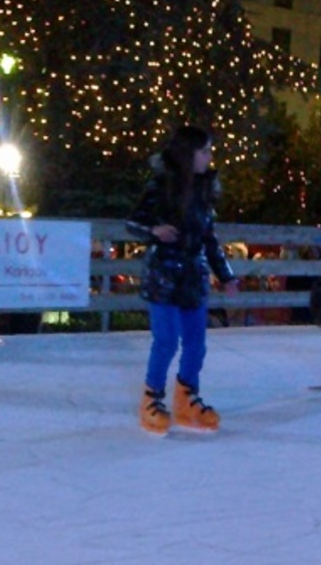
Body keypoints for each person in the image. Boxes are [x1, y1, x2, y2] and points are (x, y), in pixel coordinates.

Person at [127, 126, 239, 436]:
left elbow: (209, 239)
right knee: (166, 340)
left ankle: (186, 397)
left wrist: (226, 275)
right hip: (163, 274)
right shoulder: (161, 185)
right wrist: (155, 230)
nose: (209, 157)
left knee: (196, 344)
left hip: (193, 275)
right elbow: (133, 222)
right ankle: (151, 400)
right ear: (188, 154)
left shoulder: (204, 191)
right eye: (204, 151)